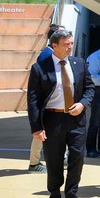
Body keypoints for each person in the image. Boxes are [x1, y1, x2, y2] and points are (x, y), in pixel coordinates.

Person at [27, 29, 95, 198]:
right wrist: (36, 128)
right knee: (54, 160)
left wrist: (82, 104)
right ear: (54, 45)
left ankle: (72, 197)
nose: (70, 47)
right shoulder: (40, 68)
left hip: (76, 118)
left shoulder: (79, 64)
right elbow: (33, 100)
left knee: (77, 158)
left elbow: (89, 88)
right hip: (53, 119)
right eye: (66, 44)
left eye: (71, 43)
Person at [27, 24, 65, 173]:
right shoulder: (46, 55)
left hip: (53, 102)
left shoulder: (53, 53)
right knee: (40, 134)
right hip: (47, 103)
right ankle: (34, 163)